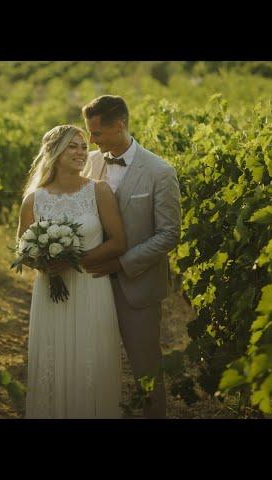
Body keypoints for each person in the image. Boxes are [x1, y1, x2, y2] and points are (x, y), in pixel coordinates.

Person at [80, 95, 181, 419]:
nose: (91, 140)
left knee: (146, 372)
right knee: (92, 366)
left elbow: (169, 234)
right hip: (91, 285)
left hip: (137, 287)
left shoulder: (160, 171)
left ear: (119, 125)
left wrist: (121, 263)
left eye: (96, 133)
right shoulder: (91, 164)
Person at [17, 124, 126, 418]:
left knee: (91, 360)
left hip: (91, 288)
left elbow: (118, 242)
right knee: (53, 359)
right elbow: (23, 249)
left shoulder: (98, 191)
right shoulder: (34, 199)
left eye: (82, 146)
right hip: (50, 294)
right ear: (54, 152)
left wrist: (74, 259)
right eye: (72, 146)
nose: (81, 152)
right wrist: (44, 261)